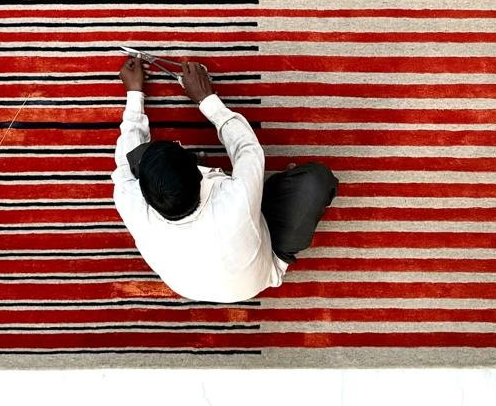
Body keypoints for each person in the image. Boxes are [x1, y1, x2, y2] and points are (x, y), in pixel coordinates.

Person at [112, 54, 337, 302]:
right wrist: (206, 99)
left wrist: (134, 94)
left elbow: (126, 159)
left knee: (141, 159)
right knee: (315, 181)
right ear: (198, 171)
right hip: (264, 263)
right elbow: (246, 147)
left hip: (193, 288)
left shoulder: (129, 202)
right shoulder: (235, 198)